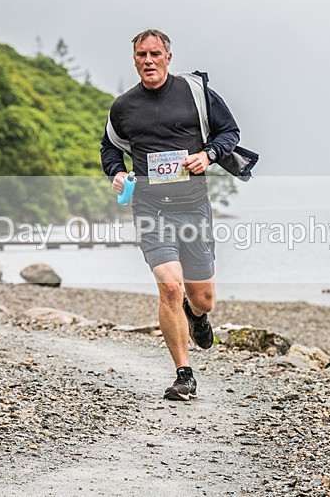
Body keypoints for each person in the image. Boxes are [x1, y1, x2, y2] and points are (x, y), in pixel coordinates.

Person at [101, 29, 240, 401]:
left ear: (168, 57)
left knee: (203, 298)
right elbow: (110, 148)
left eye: (155, 53)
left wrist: (208, 155)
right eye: (141, 55)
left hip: (193, 207)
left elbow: (229, 132)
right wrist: (116, 172)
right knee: (170, 287)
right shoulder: (123, 106)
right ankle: (184, 375)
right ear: (134, 59)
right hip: (151, 208)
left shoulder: (195, 92)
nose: (148, 60)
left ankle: (196, 316)